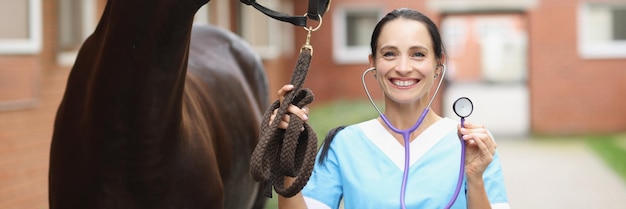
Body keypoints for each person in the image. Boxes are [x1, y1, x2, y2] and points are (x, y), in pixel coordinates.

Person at [270, 8, 509, 209]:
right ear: (373, 63)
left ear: (438, 64)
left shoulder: (471, 145)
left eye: (418, 54)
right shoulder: (344, 144)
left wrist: (475, 178)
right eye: (389, 54)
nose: (403, 67)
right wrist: (286, 152)